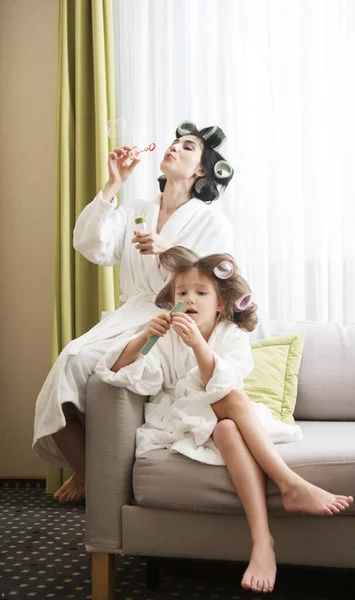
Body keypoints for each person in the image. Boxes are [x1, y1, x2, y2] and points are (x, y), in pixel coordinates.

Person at [96, 246, 354, 595]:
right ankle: (290, 483)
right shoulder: (164, 336)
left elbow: (222, 381)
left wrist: (199, 348)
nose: (190, 298)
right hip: (179, 415)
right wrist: (146, 336)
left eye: (201, 292)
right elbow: (119, 373)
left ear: (219, 303)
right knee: (231, 401)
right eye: (181, 292)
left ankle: (262, 542)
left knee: (230, 427)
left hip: (224, 416)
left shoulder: (232, 334)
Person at [33, 121, 235, 504]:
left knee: (100, 368)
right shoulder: (137, 210)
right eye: (173, 143)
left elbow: (211, 280)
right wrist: (113, 185)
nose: (174, 148)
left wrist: (167, 250)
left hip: (170, 318)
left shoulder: (211, 220)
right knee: (68, 363)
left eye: (187, 147)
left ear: (201, 170)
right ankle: (93, 473)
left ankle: (97, 485)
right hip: (129, 313)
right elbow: (92, 246)